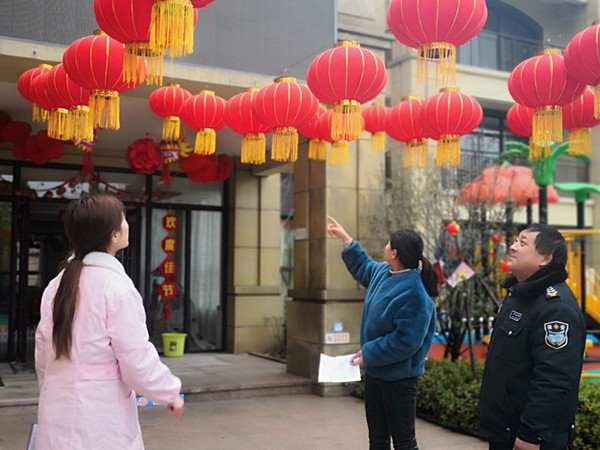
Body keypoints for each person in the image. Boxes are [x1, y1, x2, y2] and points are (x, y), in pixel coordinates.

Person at [35, 194, 184, 450]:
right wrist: (169, 392)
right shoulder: (116, 288)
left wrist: (54, 386)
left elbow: (43, 352)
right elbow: (136, 358)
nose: (127, 224)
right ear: (113, 235)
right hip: (99, 419)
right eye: (123, 219)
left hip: (56, 410)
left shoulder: (56, 285)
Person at [327, 216, 438, 450]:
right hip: (376, 373)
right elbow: (363, 266)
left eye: (388, 243)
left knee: (404, 443)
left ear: (394, 253)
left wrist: (369, 354)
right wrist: (345, 240)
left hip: (400, 380)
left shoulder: (416, 294)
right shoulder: (383, 272)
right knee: (377, 439)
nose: (385, 246)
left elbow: (406, 341)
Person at [479, 223, 586, 450]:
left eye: (522, 243)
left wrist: (531, 435)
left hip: (529, 440)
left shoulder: (555, 308)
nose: (512, 247)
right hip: (505, 432)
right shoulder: (520, 295)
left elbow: (554, 378)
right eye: (515, 241)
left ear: (545, 258)